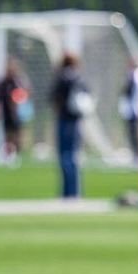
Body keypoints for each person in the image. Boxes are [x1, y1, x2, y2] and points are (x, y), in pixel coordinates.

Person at [51, 51, 92, 198]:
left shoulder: (62, 78)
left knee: (65, 156)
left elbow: (54, 98)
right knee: (74, 155)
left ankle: (68, 192)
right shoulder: (79, 78)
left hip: (64, 119)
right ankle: (75, 191)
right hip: (76, 120)